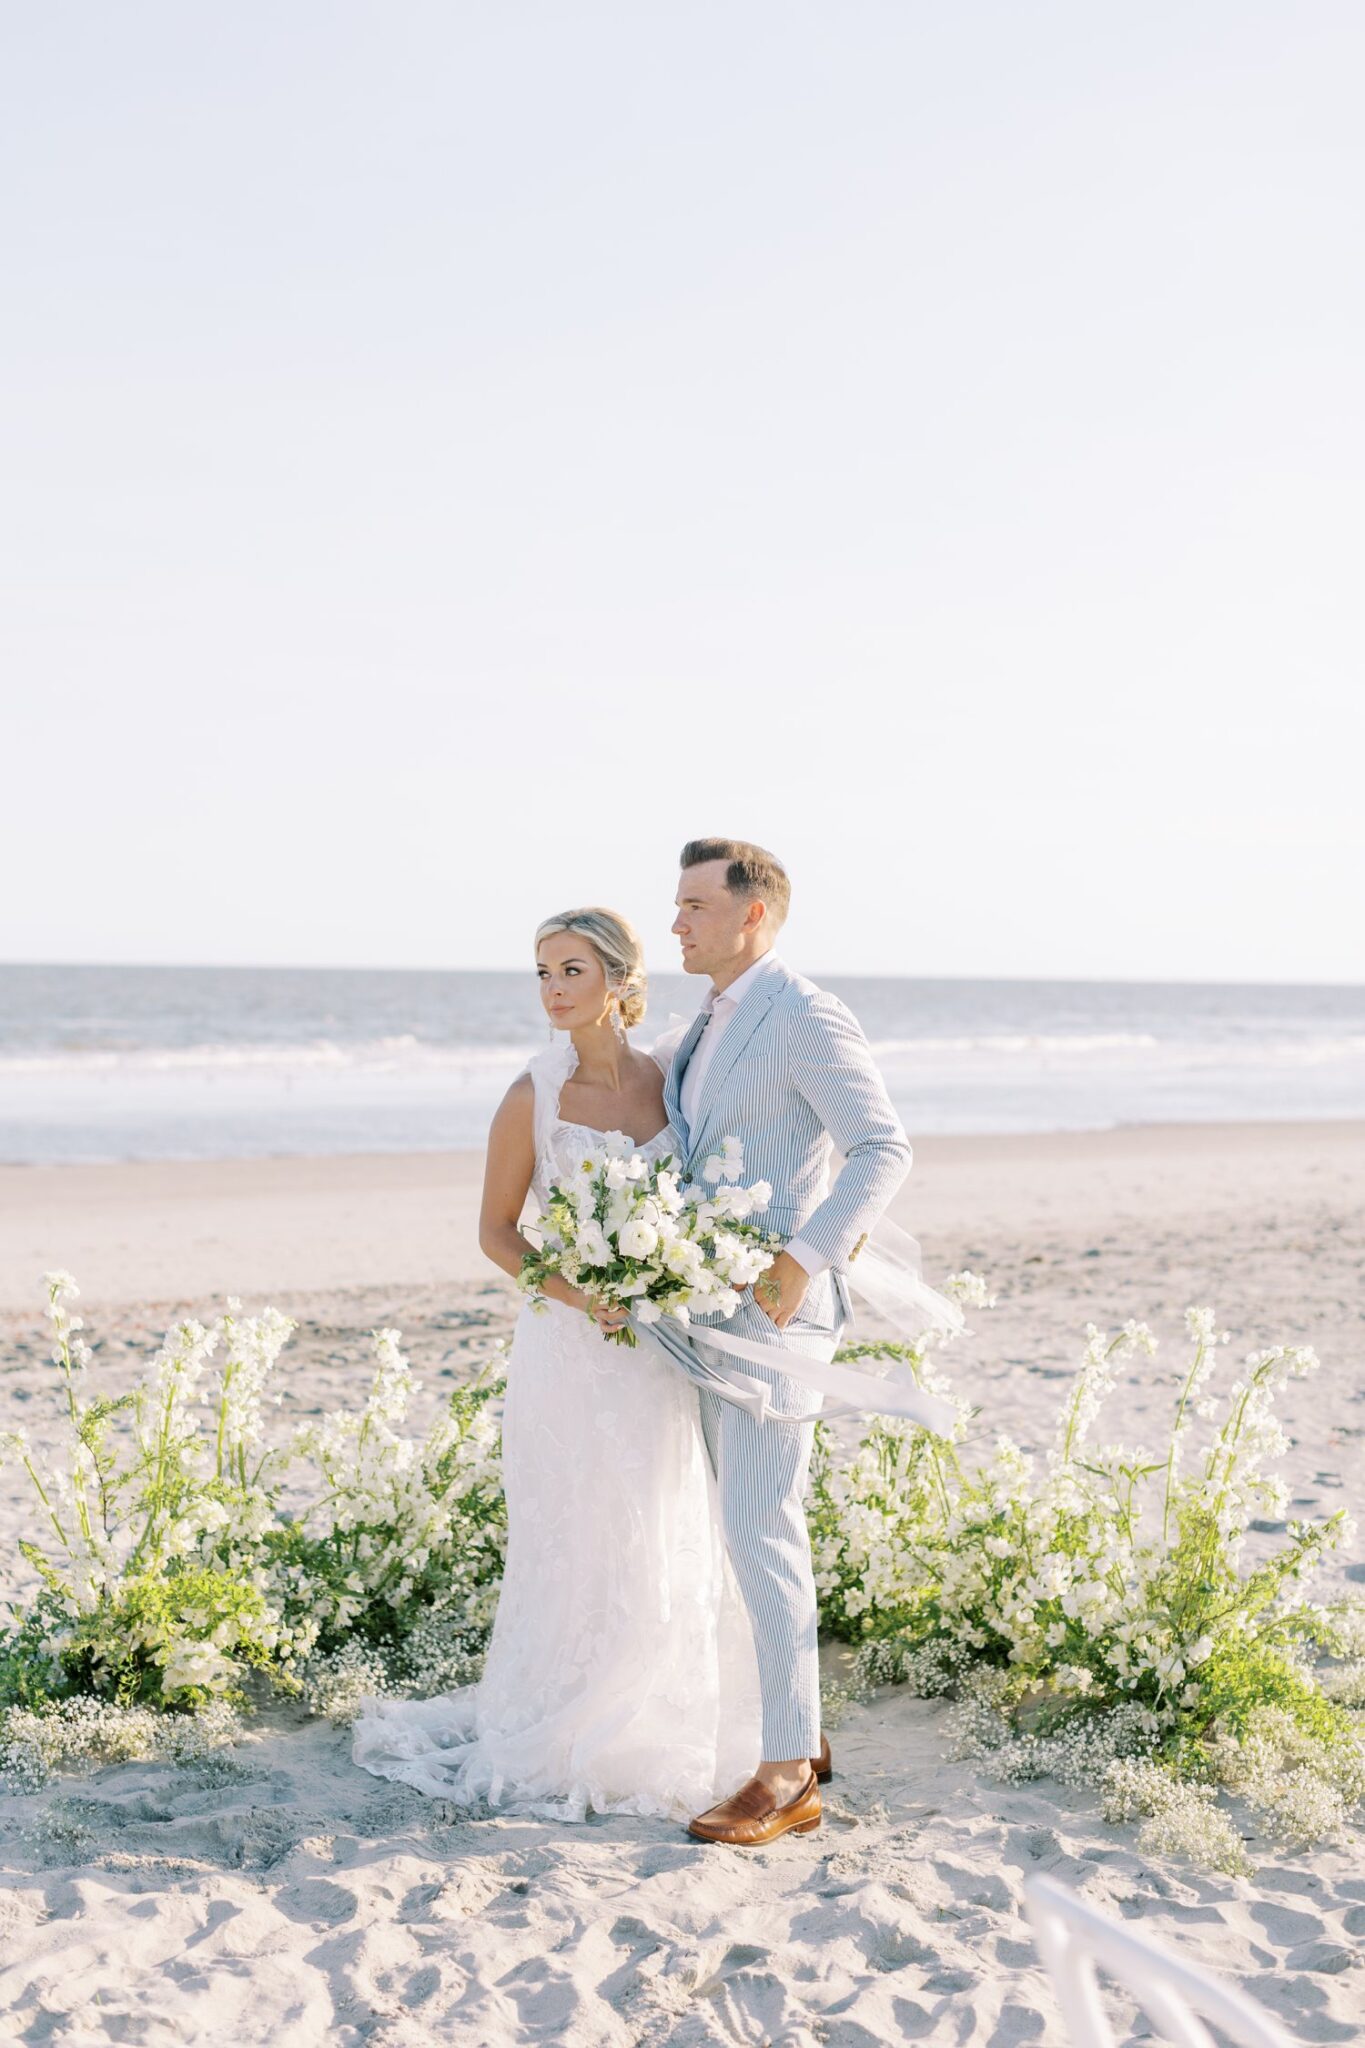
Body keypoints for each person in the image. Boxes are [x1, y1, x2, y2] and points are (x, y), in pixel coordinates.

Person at [351, 907, 761, 1820]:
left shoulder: (673, 1081)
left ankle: (660, 1708)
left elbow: (705, 1194)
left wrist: (676, 1269)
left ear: (620, 980)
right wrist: (588, 1295)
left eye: (569, 970)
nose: (551, 990)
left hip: (660, 1349)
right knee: (579, 1531)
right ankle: (567, 1717)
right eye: (541, 973)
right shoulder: (529, 1097)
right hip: (570, 1351)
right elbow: (497, 1235)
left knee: (662, 1521)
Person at [666, 837, 913, 1846]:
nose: (675, 921)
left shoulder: (802, 1011)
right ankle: (798, 1739)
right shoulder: (710, 1017)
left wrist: (803, 1258)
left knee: (765, 1525)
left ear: (751, 914)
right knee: (742, 1524)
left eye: (692, 905)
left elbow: (883, 1145)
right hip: (709, 1310)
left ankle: (784, 1777)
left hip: (776, 1315)